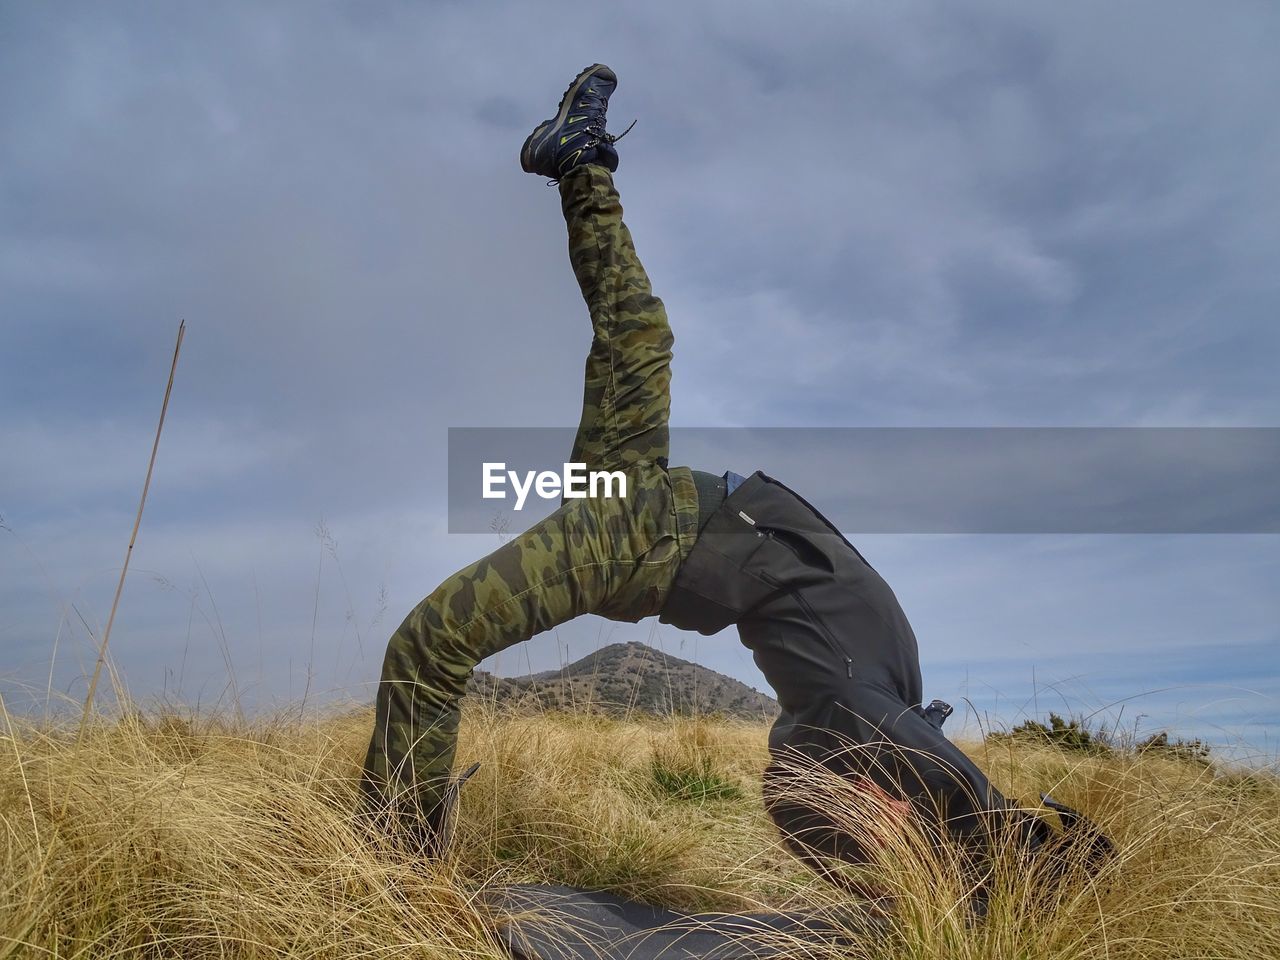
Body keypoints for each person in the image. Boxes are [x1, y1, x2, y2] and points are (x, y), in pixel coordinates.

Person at [359, 63, 1103, 885]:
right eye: (894, 820)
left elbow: (802, 790)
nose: (883, 826)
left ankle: (396, 865)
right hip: (649, 510)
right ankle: (580, 161)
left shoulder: (857, 693)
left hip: (646, 525)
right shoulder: (863, 706)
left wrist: (921, 841)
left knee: (633, 345)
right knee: (637, 340)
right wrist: (994, 828)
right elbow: (888, 773)